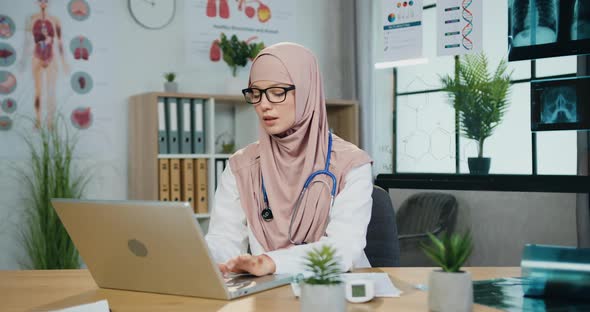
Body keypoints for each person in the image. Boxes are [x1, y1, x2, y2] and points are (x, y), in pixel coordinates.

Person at [205, 42, 373, 276]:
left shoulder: (351, 164)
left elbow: (343, 249)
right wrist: (200, 255)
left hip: (337, 291)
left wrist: (271, 262)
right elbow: (225, 239)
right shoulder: (241, 166)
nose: (264, 105)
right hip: (266, 295)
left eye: (277, 92)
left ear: (307, 90)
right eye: (256, 93)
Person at [21, 0, 69, 129]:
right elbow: (27, 41)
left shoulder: (55, 20)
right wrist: (23, 61)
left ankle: (50, 121)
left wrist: (64, 62)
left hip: (51, 57)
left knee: (51, 91)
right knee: (38, 91)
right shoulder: (31, 19)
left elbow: (60, 42)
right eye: (40, 0)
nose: (43, 2)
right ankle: (37, 120)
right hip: (36, 57)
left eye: (45, 0)